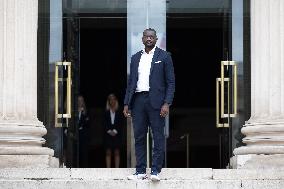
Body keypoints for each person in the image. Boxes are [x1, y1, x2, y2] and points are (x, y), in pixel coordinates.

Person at [123, 28, 175, 181]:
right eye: (146, 36)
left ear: (156, 39)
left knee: (157, 136)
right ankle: (140, 171)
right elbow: (131, 82)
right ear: (142, 39)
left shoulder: (164, 56)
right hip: (138, 100)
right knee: (139, 137)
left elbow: (171, 82)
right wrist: (127, 103)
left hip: (157, 102)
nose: (149, 39)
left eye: (152, 37)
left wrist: (167, 103)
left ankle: (155, 171)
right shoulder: (134, 58)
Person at [104, 94, 123, 168]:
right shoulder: (106, 112)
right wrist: (109, 131)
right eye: (110, 99)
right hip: (107, 134)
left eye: (113, 99)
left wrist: (115, 131)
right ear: (108, 101)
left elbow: (121, 123)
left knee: (117, 152)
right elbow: (104, 123)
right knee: (108, 152)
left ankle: (117, 169)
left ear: (116, 100)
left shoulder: (119, 112)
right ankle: (108, 169)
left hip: (117, 134)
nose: (112, 101)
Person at [77, 95, 89, 167]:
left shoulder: (86, 112)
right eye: (78, 100)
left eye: (81, 100)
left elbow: (87, 123)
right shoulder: (73, 111)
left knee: (84, 152)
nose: (79, 102)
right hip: (76, 134)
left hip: (83, 135)